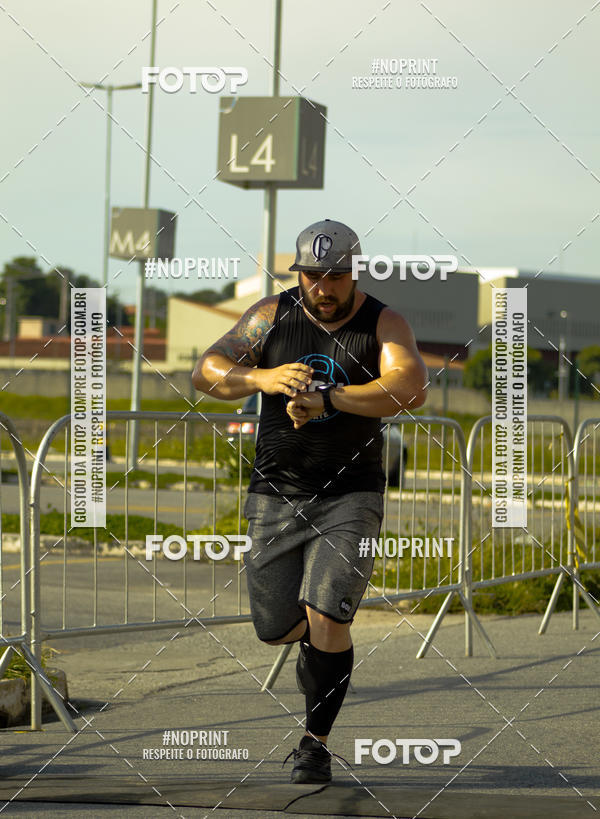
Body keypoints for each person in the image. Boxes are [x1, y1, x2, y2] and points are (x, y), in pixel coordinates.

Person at [192, 219, 427, 783]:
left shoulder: (383, 320)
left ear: (354, 272)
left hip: (351, 494)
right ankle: (318, 653)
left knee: (328, 613)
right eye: (314, 275)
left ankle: (314, 743)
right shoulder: (271, 315)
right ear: (299, 272)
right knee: (274, 626)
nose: (324, 287)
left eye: (336, 276)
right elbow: (205, 371)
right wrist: (262, 379)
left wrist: (331, 398)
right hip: (276, 492)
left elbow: (411, 385)